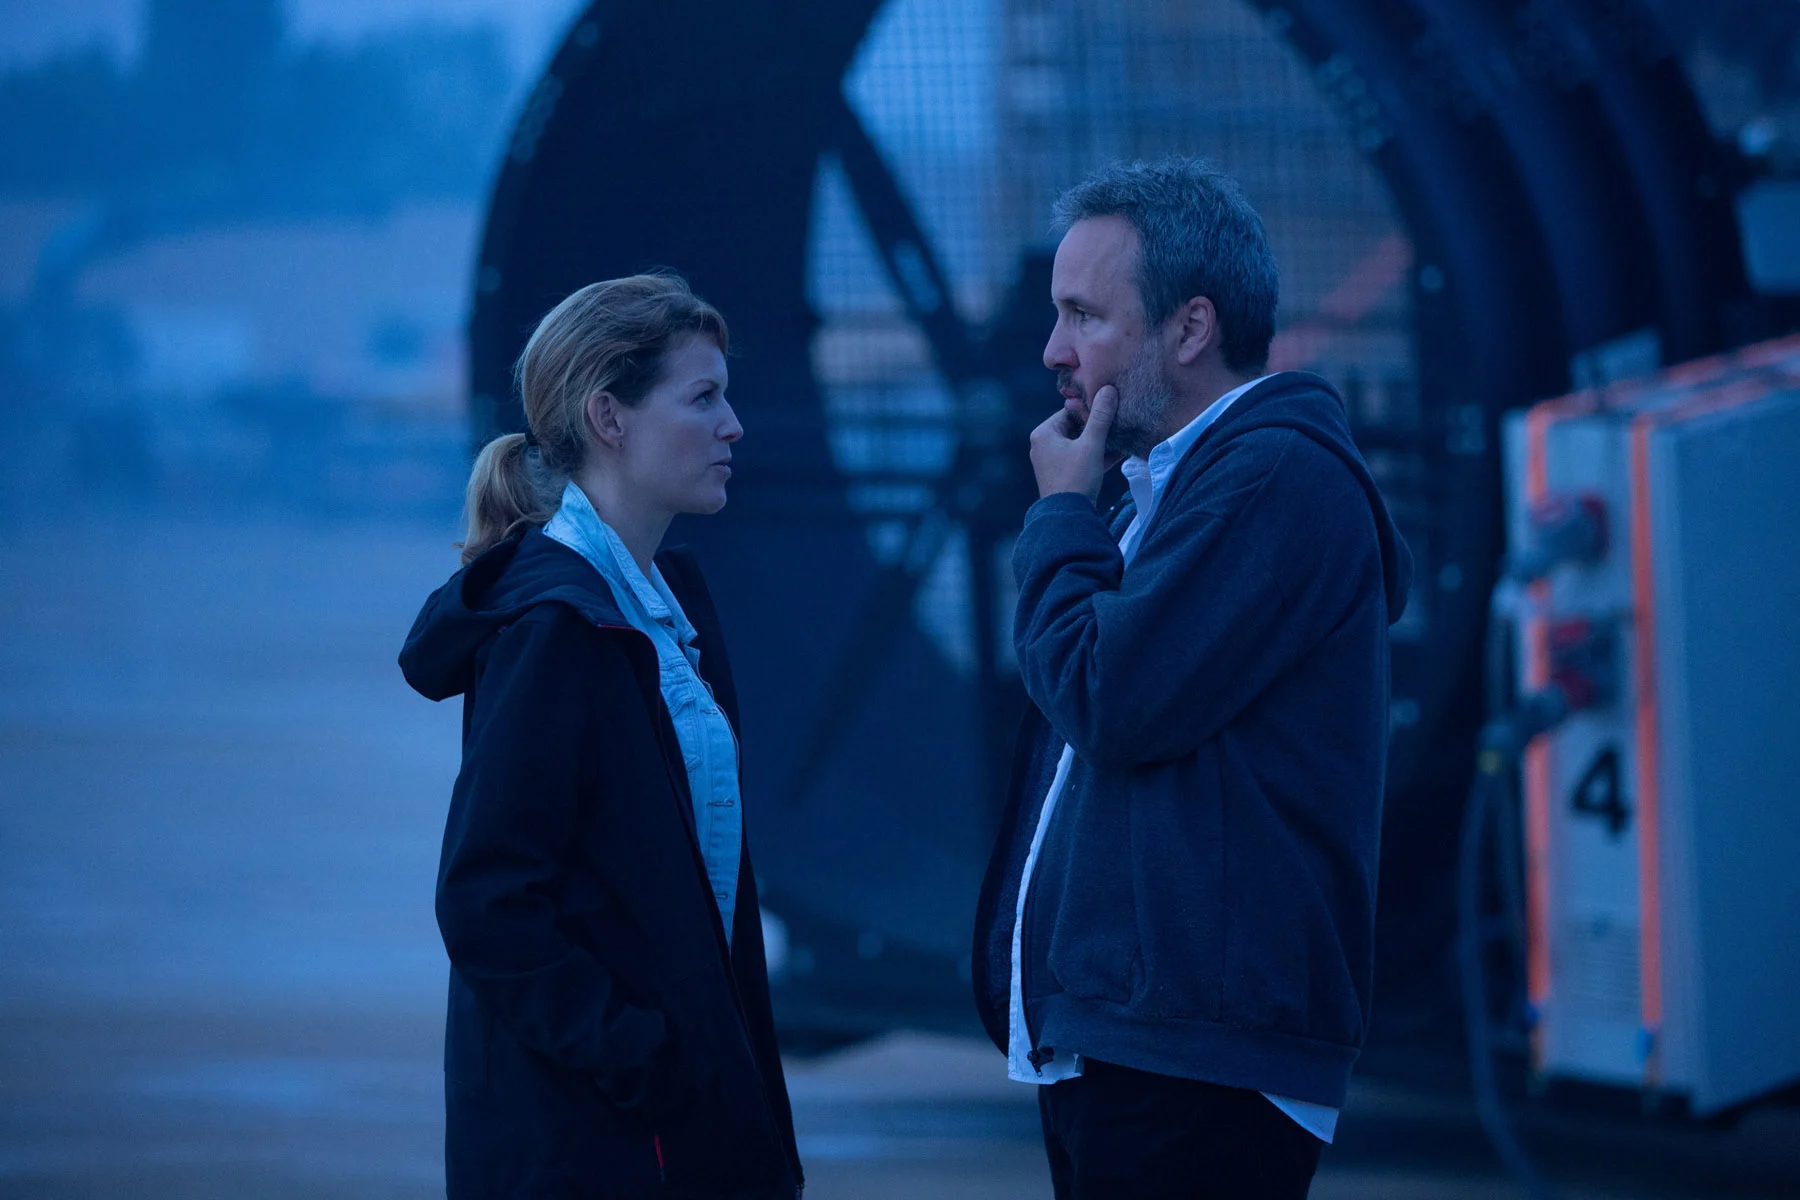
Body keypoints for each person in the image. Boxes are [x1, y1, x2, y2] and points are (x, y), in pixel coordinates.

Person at [970, 157, 1414, 1198]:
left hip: (1196, 1061)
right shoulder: (1162, 496)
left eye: (1084, 315)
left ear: (1190, 329)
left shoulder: (1272, 480)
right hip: (1139, 1045)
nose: (1052, 351)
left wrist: (1060, 517)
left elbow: (1105, 695)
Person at [399, 274, 803, 1198]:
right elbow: (487, 902)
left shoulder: (667, 606)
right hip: (596, 1148)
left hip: (678, 1132)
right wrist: (642, 1061)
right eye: (703, 398)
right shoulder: (556, 627)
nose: (733, 424)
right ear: (609, 418)